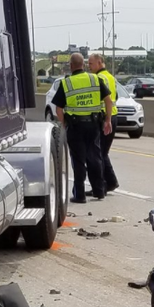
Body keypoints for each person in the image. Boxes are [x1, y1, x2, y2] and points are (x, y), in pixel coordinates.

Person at [50, 53, 113, 203]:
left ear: (71, 66)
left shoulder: (67, 83)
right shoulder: (95, 79)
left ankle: (80, 195)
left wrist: (64, 124)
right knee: (95, 157)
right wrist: (108, 120)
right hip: (94, 125)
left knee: (78, 160)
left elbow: (59, 108)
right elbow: (108, 101)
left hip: (76, 127)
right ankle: (99, 191)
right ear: (83, 65)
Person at [89, 54, 120, 192]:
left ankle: (102, 185)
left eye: (91, 64)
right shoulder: (111, 77)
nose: (89, 67)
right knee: (103, 152)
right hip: (113, 115)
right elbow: (116, 96)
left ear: (100, 63)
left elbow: (97, 98)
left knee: (98, 153)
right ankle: (111, 182)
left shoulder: (99, 78)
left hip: (104, 118)